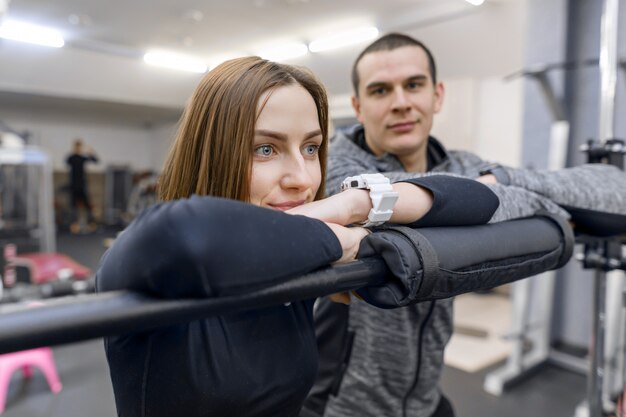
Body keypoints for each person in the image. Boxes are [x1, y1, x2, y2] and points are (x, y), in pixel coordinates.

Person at [96, 57, 501, 417]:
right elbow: (187, 235)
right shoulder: (145, 260)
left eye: (311, 148)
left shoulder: (295, 263)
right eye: (265, 149)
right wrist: (336, 238)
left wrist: (352, 204)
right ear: (213, 152)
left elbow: (477, 200)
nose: (304, 179)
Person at [302, 33, 626, 417]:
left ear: (437, 95)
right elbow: (397, 236)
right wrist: (491, 198)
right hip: (342, 405)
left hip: (425, 398)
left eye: (414, 85)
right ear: (358, 106)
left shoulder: (459, 166)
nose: (401, 102)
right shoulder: (335, 172)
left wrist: (502, 179)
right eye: (380, 90)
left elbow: (616, 190)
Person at [66, 139, 98, 233]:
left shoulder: (83, 158)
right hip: (73, 186)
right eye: (77, 147)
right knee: (73, 206)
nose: (78, 148)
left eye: (79, 147)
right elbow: (66, 162)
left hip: (82, 186)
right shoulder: (71, 157)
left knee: (87, 205)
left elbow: (95, 161)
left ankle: (91, 224)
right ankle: (74, 225)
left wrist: (91, 153)